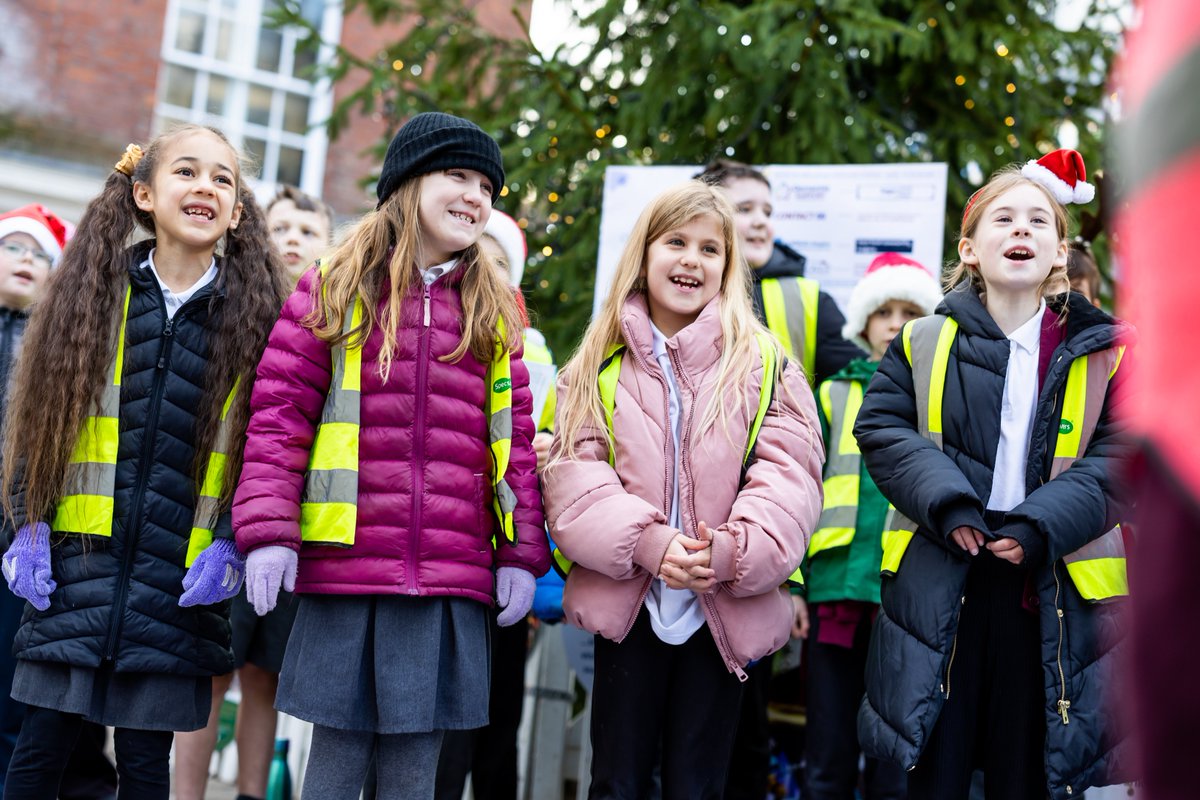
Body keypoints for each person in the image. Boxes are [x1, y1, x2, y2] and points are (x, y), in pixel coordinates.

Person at [232, 111, 550, 798]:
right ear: (407, 182)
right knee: (338, 759)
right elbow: (279, 416)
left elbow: (515, 448)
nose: (475, 196)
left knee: (416, 766)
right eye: (457, 176)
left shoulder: (494, 313)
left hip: (449, 576)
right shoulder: (334, 288)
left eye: (487, 188)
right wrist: (268, 531)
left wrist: (522, 554)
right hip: (348, 568)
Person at [0, 126, 286, 797]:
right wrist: (26, 528)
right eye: (187, 172)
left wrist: (232, 544)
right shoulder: (90, 301)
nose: (206, 188)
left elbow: (264, 454)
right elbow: (36, 432)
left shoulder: (256, 323)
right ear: (144, 194)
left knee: (144, 770)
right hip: (76, 572)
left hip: (177, 585)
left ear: (237, 212)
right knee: (36, 758)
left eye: (223, 179)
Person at [854, 150, 1135, 799]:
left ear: (1060, 252)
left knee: (1025, 767)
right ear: (970, 250)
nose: (1021, 230)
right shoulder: (924, 340)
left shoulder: (1108, 355)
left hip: (1048, 583)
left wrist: (1042, 523)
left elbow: (1123, 455)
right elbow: (883, 429)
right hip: (943, 578)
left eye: (1039, 221)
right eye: (1003, 219)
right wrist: (949, 504)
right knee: (937, 769)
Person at [542, 180, 823, 800]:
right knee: (617, 778)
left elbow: (790, 472)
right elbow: (573, 474)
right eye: (675, 242)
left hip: (720, 603)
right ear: (644, 253)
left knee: (701, 783)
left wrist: (732, 550)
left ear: (730, 267)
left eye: (710, 248)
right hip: (630, 606)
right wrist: (647, 542)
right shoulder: (596, 363)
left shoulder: (765, 362)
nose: (691, 260)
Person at [695, 160, 862, 798]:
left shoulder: (806, 300)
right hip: (670, 543)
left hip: (756, 548)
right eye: (744, 208)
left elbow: (860, 399)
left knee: (746, 719)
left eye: (767, 209)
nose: (761, 220)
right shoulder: (672, 290)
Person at [174, 183, 334, 800]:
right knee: (209, 670)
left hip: (296, 527)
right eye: (283, 227)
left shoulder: (334, 317)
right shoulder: (236, 308)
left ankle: (249, 792)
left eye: (308, 231)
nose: (293, 239)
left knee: (265, 676)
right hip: (221, 519)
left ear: (328, 245)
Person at [802, 251, 942, 800]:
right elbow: (799, 490)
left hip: (904, 599)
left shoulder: (940, 400)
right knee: (828, 746)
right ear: (863, 323)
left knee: (893, 758)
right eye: (884, 311)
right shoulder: (831, 394)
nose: (896, 324)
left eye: (911, 311)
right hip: (835, 589)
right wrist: (794, 584)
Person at [432, 209, 548, 800]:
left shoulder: (538, 357)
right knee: (446, 721)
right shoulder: (438, 339)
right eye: (480, 258)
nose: (490, 274)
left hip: (507, 564)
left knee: (500, 714)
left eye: (502, 264)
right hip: (452, 560)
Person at [266, 185, 335, 286]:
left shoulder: (339, 300)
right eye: (279, 229)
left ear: (330, 247)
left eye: (307, 232)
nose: (293, 238)